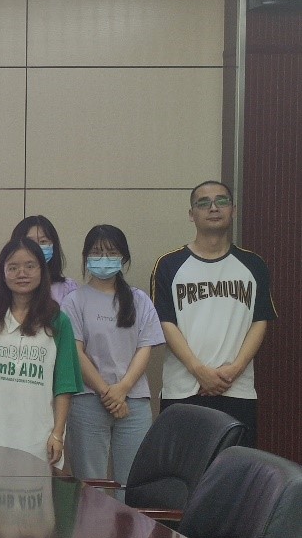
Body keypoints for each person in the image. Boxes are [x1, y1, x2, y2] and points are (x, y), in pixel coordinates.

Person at [150, 181, 275, 447]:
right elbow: (165, 323)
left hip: (238, 390)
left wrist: (235, 369)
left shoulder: (253, 265)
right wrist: (199, 370)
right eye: (204, 203)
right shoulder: (168, 265)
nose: (214, 208)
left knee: (236, 467)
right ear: (191, 214)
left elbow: (259, 320)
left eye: (222, 201)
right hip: (183, 390)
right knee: (185, 469)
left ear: (233, 210)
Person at [0, 238, 83, 465]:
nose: (22, 273)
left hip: (37, 437)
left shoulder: (58, 322)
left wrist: (57, 434)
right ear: (3, 273)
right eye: (13, 267)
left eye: (30, 266)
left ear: (42, 271)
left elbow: (64, 386)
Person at [62, 225, 165, 483]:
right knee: (90, 484)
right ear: (86, 257)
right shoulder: (74, 300)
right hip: (88, 400)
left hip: (134, 402)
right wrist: (106, 392)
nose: (104, 259)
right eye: (97, 252)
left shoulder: (140, 300)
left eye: (111, 252)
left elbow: (145, 348)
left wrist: (123, 388)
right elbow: (75, 352)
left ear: (124, 257)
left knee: (132, 483)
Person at [11, 215, 78, 306]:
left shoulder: (67, 288)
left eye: (43, 242)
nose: (37, 248)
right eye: (30, 242)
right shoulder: (1, 287)